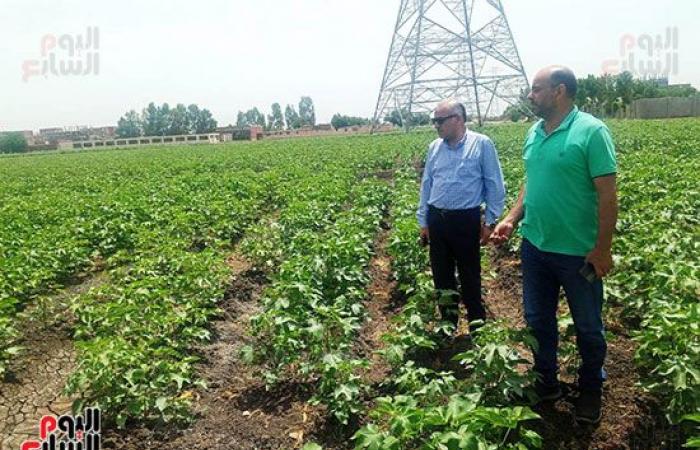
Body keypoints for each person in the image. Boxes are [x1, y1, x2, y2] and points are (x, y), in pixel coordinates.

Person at [491, 66, 618, 425]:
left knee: (588, 326)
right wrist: (512, 219)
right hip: (535, 246)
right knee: (537, 320)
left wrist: (602, 249)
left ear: (559, 91)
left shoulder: (591, 132)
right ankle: (546, 382)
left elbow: (608, 196)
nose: (530, 96)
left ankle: (590, 389)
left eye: (536, 89)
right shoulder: (534, 131)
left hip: (578, 251)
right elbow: (532, 184)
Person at [417, 99, 505, 335]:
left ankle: (477, 328)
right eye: (434, 120)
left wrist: (490, 222)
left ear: (457, 118)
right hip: (438, 219)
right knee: (441, 276)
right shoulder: (434, 147)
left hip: (466, 219)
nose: (436, 125)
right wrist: (423, 220)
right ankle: (448, 326)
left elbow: (494, 185)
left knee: (470, 275)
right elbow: (427, 184)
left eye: (440, 120)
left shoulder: (481, 144)